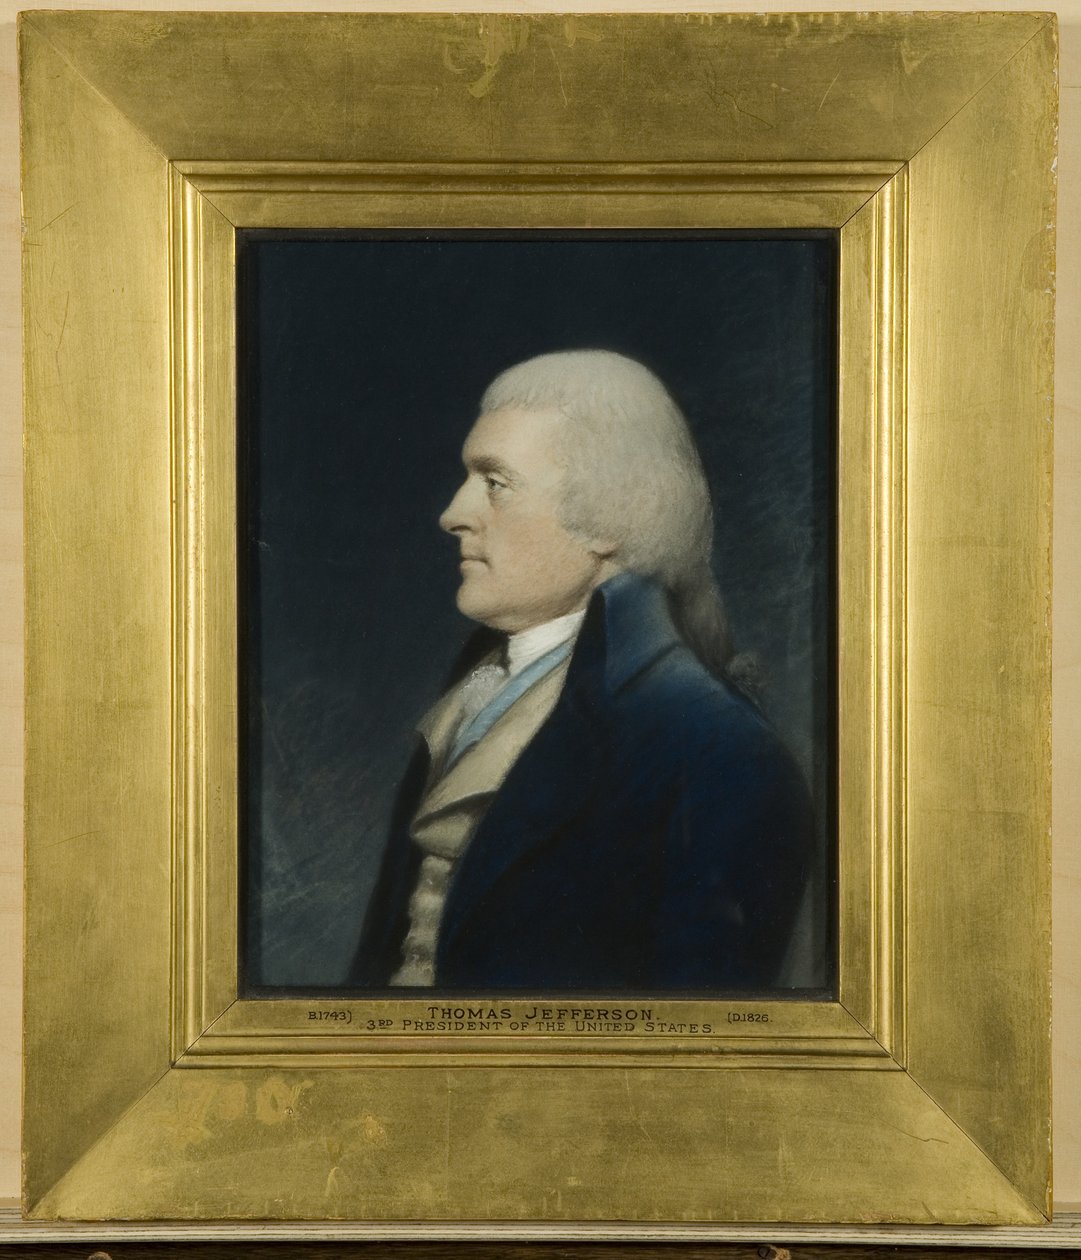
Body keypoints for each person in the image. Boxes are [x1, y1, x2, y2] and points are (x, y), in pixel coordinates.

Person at [349, 350, 812, 991]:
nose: (453, 513)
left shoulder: (720, 755)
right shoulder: (469, 699)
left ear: (609, 516)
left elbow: (698, 1035)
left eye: (496, 483)